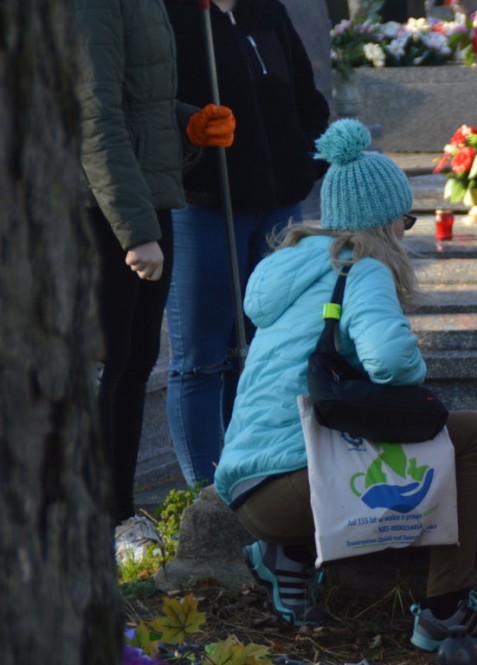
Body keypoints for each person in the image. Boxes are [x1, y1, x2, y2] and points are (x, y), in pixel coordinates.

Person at [213, 119, 477, 650]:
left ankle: (286, 554)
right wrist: (415, 380)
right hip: (295, 487)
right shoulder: (363, 268)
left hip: (249, 492)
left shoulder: (289, 267)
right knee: (471, 435)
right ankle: (445, 612)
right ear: (384, 222)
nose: (406, 230)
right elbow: (392, 362)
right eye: (406, 219)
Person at [72, 0, 235, 530]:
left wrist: (188, 122)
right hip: (100, 210)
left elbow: (140, 101)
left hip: (144, 199)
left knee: (136, 358)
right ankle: (99, 518)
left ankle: (118, 513)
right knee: (108, 364)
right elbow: (95, 118)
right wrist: (137, 231)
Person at [163, 0, 330, 487]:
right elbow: (152, 105)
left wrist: (304, 158)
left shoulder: (265, 9)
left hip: (277, 205)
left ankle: (253, 480)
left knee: (265, 348)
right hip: (203, 203)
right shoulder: (175, 14)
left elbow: (304, 93)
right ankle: (206, 498)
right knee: (200, 358)